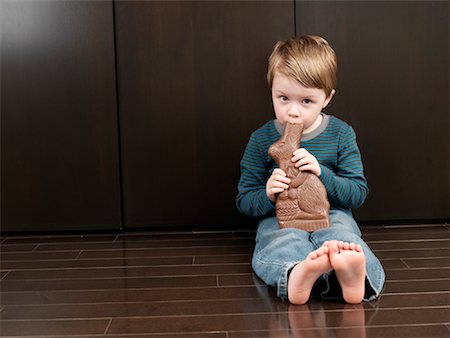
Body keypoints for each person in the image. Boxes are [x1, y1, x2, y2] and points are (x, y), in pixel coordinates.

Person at [236, 35, 385, 304]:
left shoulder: (341, 134)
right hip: (280, 214)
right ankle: (295, 274)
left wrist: (322, 175)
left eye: (306, 101)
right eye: (283, 98)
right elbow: (245, 200)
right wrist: (268, 194)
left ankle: (355, 279)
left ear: (327, 98)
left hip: (332, 212)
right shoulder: (261, 139)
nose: (293, 112)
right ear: (271, 90)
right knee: (281, 240)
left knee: (342, 238)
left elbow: (357, 194)